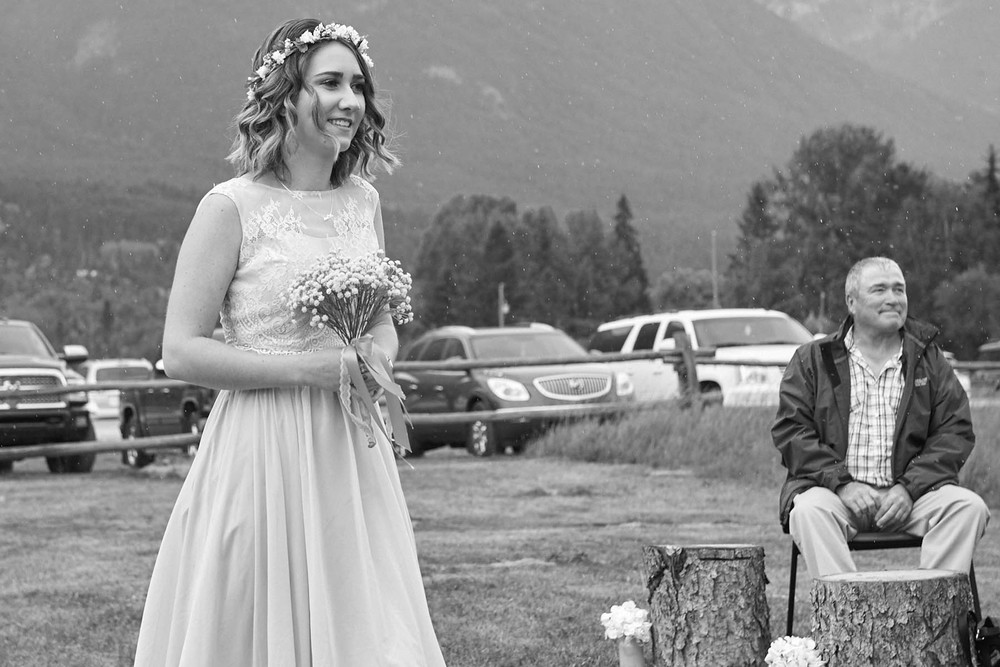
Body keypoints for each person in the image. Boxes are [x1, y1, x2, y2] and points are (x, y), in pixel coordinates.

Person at [133, 18, 446, 666]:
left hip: (349, 449)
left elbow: (380, 317)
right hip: (261, 445)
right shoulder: (230, 208)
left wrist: (377, 357)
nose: (349, 100)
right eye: (329, 82)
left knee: (367, 626)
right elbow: (181, 350)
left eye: (357, 85)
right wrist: (311, 370)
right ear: (285, 96)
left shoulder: (363, 202)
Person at [773, 256, 989, 578]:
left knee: (968, 508)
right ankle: (848, 607)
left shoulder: (928, 359)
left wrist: (908, 488)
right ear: (852, 302)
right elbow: (792, 431)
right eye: (879, 290)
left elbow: (955, 431)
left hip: (913, 497)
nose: (893, 298)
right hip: (835, 495)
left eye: (899, 290)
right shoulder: (814, 359)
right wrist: (843, 485)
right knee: (808, 511)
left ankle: (931, 606)